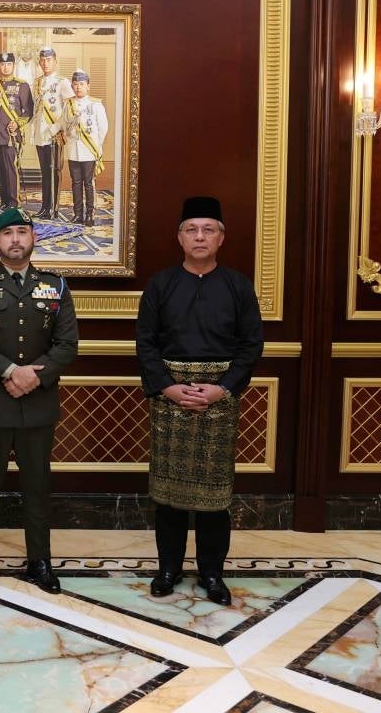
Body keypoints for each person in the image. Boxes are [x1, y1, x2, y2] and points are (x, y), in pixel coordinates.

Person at [135, 196, 264, 606]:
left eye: (208, 229)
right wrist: (168, 387)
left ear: (221, 238)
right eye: (192, 229)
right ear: (179, 237)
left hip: (219, 399)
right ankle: (168, 569)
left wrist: (223, 387)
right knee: (169, 496)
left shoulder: (238, 286)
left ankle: (212, 573)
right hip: (170, 397)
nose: (200, 236)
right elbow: (145, 344)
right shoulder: (161, 284)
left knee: (214, 499)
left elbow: (251, 346)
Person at [0, 207, 79, 597]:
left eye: (22, 232)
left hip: (38, 402)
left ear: (33, 239)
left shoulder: (55, 285)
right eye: (7, 233)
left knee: (37, 485)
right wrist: (11, 372)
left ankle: (40, 562)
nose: (15, 240)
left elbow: (67, 344)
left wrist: (32, 377)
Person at [50, 69, 108, 224]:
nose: (78, 87)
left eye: (81, 84)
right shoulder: (68, 104)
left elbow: (103, 128)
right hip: (73, 151)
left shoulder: (95, 105)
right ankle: (78, 214)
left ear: (88, 86)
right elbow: (62, 122)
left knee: (88, 183)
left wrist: (96, 146)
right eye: (75, 85)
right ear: (72, 86)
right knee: (75, 183)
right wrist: (50, 131)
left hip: (88, 151)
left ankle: (90, 214)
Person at [29, 47, 74, 220]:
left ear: (55, 61)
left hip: (54, 134)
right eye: (42, 60)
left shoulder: (62, 82)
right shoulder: (38, 82)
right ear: (39, 62)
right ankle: (44, 207)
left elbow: (70, 109)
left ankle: (53, 208)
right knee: (44, 172)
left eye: (48, 60)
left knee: (54, 171)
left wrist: (58, 128)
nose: (45, 63)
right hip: (41, 134)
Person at [0, 52, 34, 209]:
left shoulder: (22, 85)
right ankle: (4, 201)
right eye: (2, 64)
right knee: (0, 170)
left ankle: (14, 203)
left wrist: (18, 123)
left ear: (13, 66)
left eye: (8, 64)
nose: (5, 67)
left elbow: (28, 111)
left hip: (11, 135)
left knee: (11, 169)